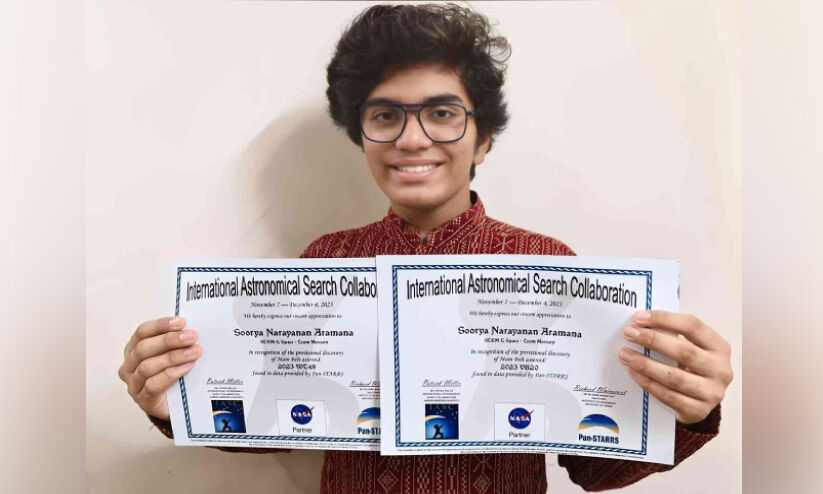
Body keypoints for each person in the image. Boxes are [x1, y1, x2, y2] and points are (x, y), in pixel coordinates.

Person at [117, 4, 733, 492]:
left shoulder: (549, 266)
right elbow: (278, 421)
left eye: (441, 113)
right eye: (385, 116)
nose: (412, 139)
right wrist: (176, 401)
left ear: (483, 139)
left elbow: (593, 467)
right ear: (361, 137)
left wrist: (687, 412)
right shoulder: (327, 260)